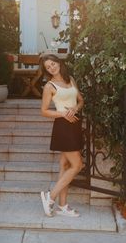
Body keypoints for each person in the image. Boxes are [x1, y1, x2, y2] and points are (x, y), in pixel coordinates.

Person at [40, 54, 84, 217]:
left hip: (75, 125)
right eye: (48, 67)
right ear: (46, 71)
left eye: (53, 64)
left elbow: (80, 100)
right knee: (78, 165)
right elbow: (44, 111)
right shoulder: (49, 86)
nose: (52, 67)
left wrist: (75, 109)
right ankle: (50, 197)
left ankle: (63, 206)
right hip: (63, 127)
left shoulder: (70, 79)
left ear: (59, 62)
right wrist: (63, 113)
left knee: (65, 166)